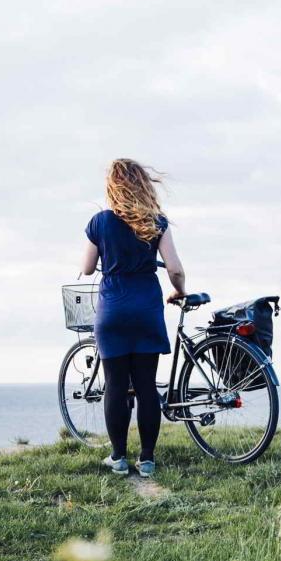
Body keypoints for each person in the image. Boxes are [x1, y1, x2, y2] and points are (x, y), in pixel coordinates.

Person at [79, 159, 186, 478]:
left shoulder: (99, 222)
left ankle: (118, 458)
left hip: (112, 310)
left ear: (113, 187)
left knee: (114, 385)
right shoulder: (157, 222)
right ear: (144, 185)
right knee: (145, 385)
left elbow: (86, 268)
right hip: (146, 309)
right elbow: (175, 268)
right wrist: (179, 290)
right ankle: (148, 459)